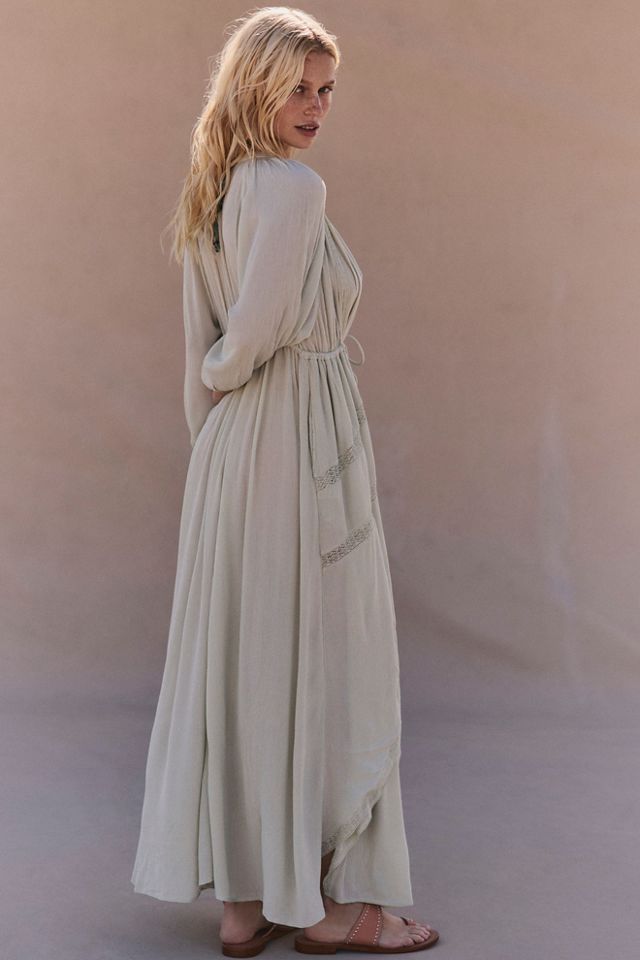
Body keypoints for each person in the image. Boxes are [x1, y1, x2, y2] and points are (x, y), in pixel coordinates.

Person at [131, 6, 439, 956]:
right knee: (320, 659)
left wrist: (217, 446)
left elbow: (199, 348)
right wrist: (240, 377)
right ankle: (323, 909)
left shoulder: (213, 189)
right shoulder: (295, 189)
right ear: (255, 88)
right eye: (298, 88)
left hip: (232, 453)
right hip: (295, 435)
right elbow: (248, 335)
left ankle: (245, 905)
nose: (316, 107)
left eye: (326, 90)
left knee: (248, 662)